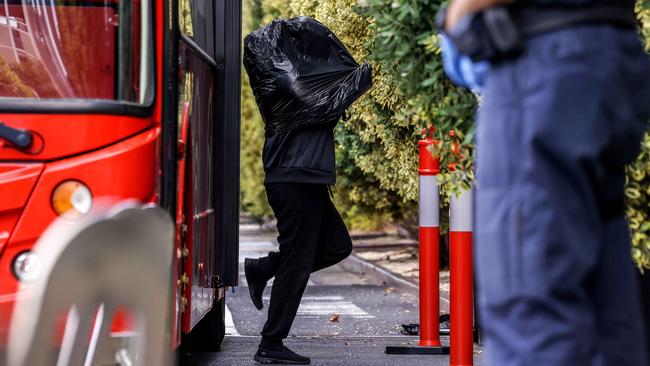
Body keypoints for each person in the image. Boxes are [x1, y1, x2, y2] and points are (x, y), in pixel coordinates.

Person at [440, 0, 650, 365]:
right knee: (606, 320)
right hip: (603, 44)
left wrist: (461, 12)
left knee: (533, 315)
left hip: (542, 59)